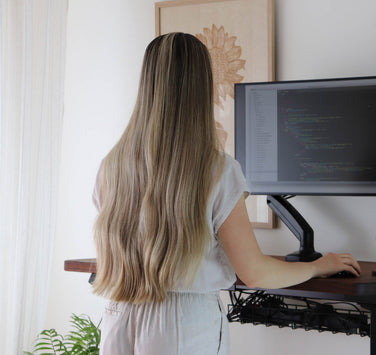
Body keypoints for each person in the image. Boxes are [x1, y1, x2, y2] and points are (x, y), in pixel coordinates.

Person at [92, 32, 361, 355]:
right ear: (201, 88)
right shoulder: (216, 169)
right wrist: (319, 265)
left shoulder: (113, 165)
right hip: (181, 325)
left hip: (119, 315)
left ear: (147, 83)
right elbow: (255, 272)